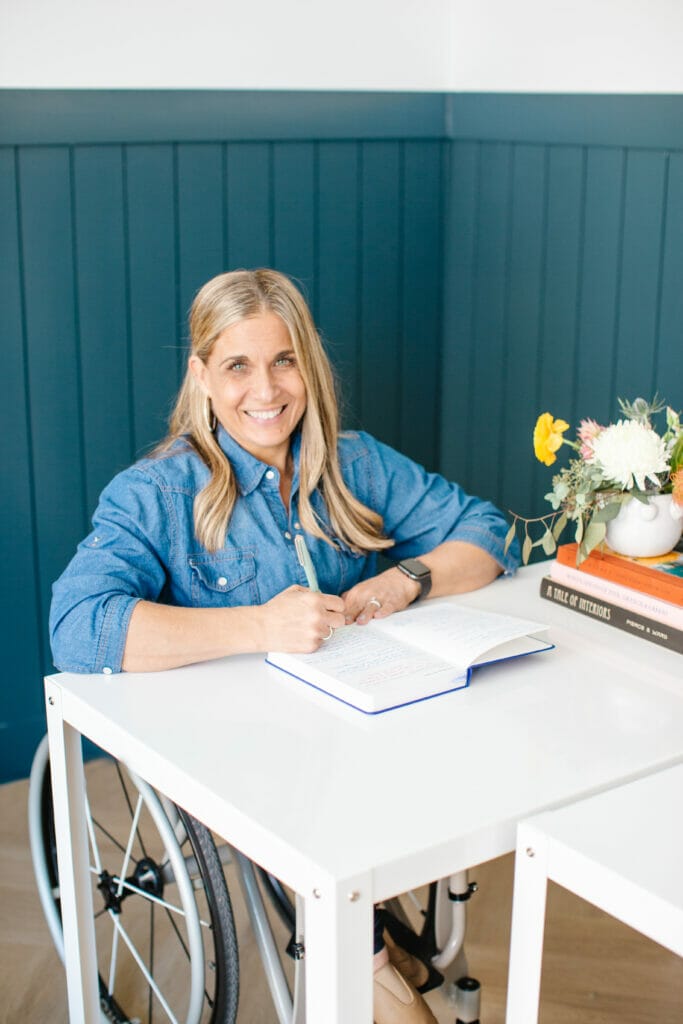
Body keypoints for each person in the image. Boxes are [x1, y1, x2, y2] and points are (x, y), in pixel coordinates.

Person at [50, 268, 520, 1023]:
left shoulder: (354, 463)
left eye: (284, 360)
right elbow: (78, 625)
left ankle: (369, 934)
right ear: (202, 376)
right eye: (237, 365)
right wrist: (258, 626)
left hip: (365, 725)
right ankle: (367, 957)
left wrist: (403, 580)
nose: (265, 390)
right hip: (251, 756)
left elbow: (486, 532)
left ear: (309, 366)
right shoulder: (157, 493)